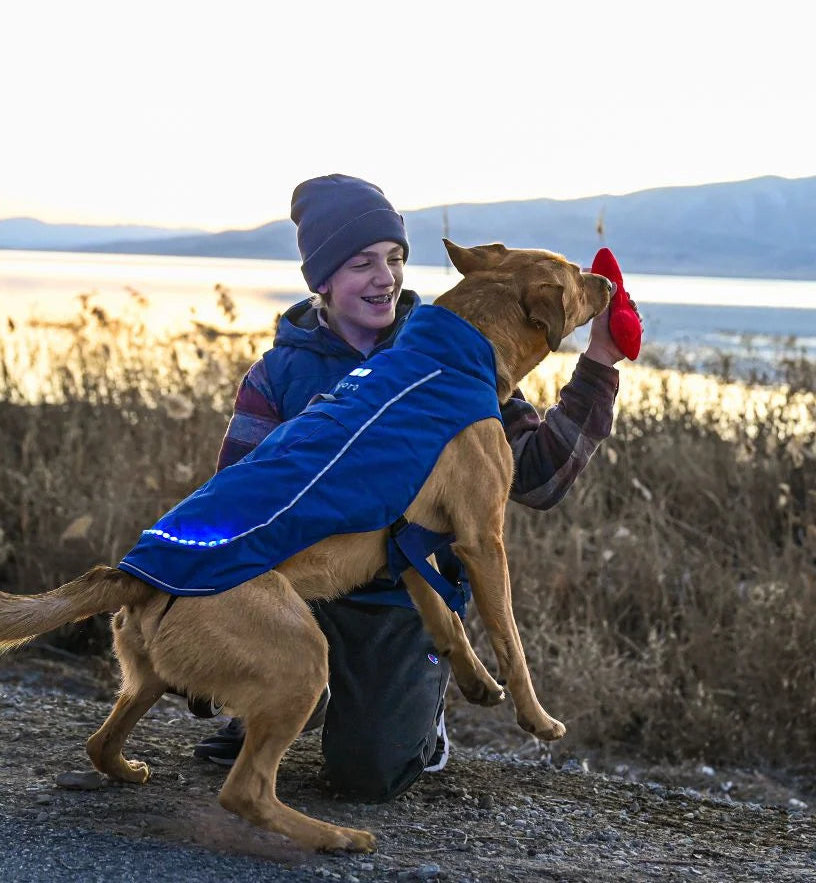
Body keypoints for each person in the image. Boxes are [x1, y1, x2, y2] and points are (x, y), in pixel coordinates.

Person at [192, 173, 626, 802]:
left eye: (394, 258)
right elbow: (234, 493)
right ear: (321, 280)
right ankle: (284, 694)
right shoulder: (278, 374)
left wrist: (599, 367)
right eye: (361, 263)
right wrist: (197, 595)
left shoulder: (455, 353)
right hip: (300, 584)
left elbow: (536, 478)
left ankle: (419, 713)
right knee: (207, 626)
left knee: (369, 775)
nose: (385, 278)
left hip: (401, 599)